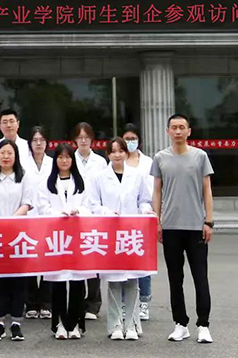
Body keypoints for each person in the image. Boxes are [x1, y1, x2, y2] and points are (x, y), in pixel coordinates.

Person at [152, 114, 214, 344]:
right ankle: (180, 324)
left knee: (200, 277)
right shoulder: (160, 158)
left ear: (189, 131)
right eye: (174, 128)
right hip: (170, 226)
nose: (178, 131)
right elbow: (157, 191)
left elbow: (207, 190)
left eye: (182, 127)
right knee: (175, 278)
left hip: (195, 226)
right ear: (168, 131)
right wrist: (156, 220)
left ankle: (203, 325)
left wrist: (209, 221)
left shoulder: (200, 156)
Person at [88, 137, 153, 341]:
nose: (117, 155)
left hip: (131, 233)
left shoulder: (137, 175)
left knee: (132, 278)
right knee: (114, 280)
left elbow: (144, 200)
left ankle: (132, 323)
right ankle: (115, 324)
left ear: (126, 153)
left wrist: (145, 211)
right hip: (110, 233)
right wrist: (106, 212)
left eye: (121, 151)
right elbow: (93, 205)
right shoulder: (99, 177)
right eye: (113, 151)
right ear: (107, 154)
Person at [37, 143, 92, 340]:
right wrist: (57, 213)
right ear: (56, 160)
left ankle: (76, 324)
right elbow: (42, 207)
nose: (64, 160)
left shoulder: (82, 181)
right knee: (58, 282)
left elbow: (89, 205)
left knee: (77, 282)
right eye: (60, 157)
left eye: (68, 157)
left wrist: (79, 211)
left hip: (77, 236)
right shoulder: (47, 182)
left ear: (72, 160)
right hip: (56, 238)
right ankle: (60, 323)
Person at [0, 140, 35, 342]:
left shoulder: (24, 177)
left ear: (16, 156)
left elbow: (27, 203)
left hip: (18, 234)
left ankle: (16, 323)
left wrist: (11, 221)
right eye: (2, 153)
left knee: (18, 280)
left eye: (9, 153)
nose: (5, 156)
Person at [71, 122, 107, 321]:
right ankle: (77, 302)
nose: (83, 140)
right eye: (80, 137)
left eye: (86, 137)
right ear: (75, 140)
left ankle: (93, 303)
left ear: (92, 139)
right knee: (77, 260)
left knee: (94, 258)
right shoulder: (69, 159)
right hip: (74, 215)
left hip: (94, 215)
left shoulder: (100, 162)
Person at [121, 123, 155, 321]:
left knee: (143, 264)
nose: (130, 142)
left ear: (139, 140)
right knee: (123, 263)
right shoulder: (118, 161)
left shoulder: (148, 162)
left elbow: (151, 191)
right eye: (127, 139)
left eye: (133, 139)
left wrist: (151, 211)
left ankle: (144, 301)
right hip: (122, 220)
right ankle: (124, 302)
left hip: (143, 218)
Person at [23, 126, 54, 320]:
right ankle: (31, 303)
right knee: (29, 260)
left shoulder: (53, 163)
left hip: (48, 217)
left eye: (42, 140)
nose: (38, 143)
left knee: (48, 260)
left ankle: (46, 303)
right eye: (35, 140)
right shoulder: (23, 163)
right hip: (28, 216)